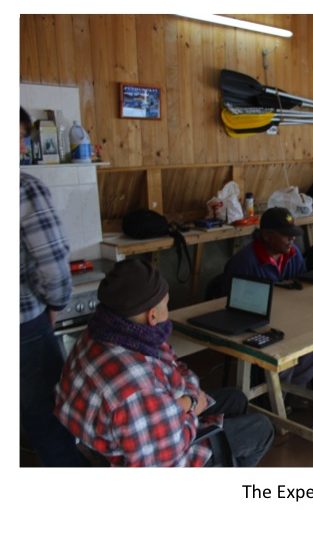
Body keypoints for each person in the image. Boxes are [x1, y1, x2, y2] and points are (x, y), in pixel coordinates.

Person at [54, 259, 274, 466]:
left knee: (236, 398)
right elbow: (168, 453)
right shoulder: (137, 390)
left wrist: (187, 401)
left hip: (144, 422)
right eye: (167, 305)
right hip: (163, 455)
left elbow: (173, 363)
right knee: (262, 429)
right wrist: (190, 407)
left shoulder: (103, 332)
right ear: (152, 316)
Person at [20, 107, 87, 467]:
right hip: (24, 325)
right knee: (50, 419)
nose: (21, 147)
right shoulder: (23, 188)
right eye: (18, 138)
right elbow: (52, 261)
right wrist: (55, 304)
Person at [224, 207, 313, 388]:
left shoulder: (293, 254)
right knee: (284, 352)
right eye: (286, 235)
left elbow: (302, 286)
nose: (292, 239)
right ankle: (274, 395)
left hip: (289, 317)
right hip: (258, 325)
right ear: (266, 235)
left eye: (293, 234)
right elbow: (235, 307)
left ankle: (291, 390)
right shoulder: (245, 262)